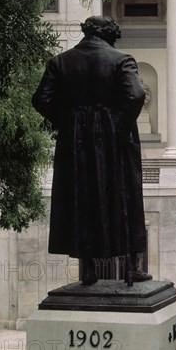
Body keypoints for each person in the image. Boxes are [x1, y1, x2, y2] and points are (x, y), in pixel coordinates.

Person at [32, 16, 152, 286]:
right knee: (126, 194)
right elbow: (135, 95)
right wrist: (119, 127)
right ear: (110, 34)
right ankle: (132, 266)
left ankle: (88, 268)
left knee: (80, 197)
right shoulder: (122, 60)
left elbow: (41, 99)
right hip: (115, 138)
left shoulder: (60, 61)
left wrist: (68, 121)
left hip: (75, 141)